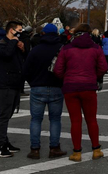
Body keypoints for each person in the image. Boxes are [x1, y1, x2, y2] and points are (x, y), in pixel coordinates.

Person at [53, 23, 107, 162]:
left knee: (75, 121)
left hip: (70, 87)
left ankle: (77, 152)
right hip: (89, 87)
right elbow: (103, 67)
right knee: (91, 120)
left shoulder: (66, 48)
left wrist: (67, 78)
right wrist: (95, 77)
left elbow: (57, 70)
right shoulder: (96, 48)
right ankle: (96, 149)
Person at [22, 24, 66, 159]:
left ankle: (35, 149)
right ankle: (54, 147)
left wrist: (33, 83)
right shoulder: (62, 49)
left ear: (43, 34)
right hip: (56, 87)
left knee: (35, 119)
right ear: (57, 34)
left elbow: (26, 70)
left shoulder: (36, 50)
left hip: (38, 87)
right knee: (55, 119)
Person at [0, 21, 26, 158]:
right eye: (19, 30)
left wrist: (22, 48)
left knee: (8, 114)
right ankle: (0, 146)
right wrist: (13, 42)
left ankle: (5, 141)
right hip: (5, 84)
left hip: (14, 83)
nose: (21, 33)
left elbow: (21, 60)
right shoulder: (0, 45)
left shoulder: (14, 45)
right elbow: (6, 54)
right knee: (3, 116)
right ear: (12, 30)